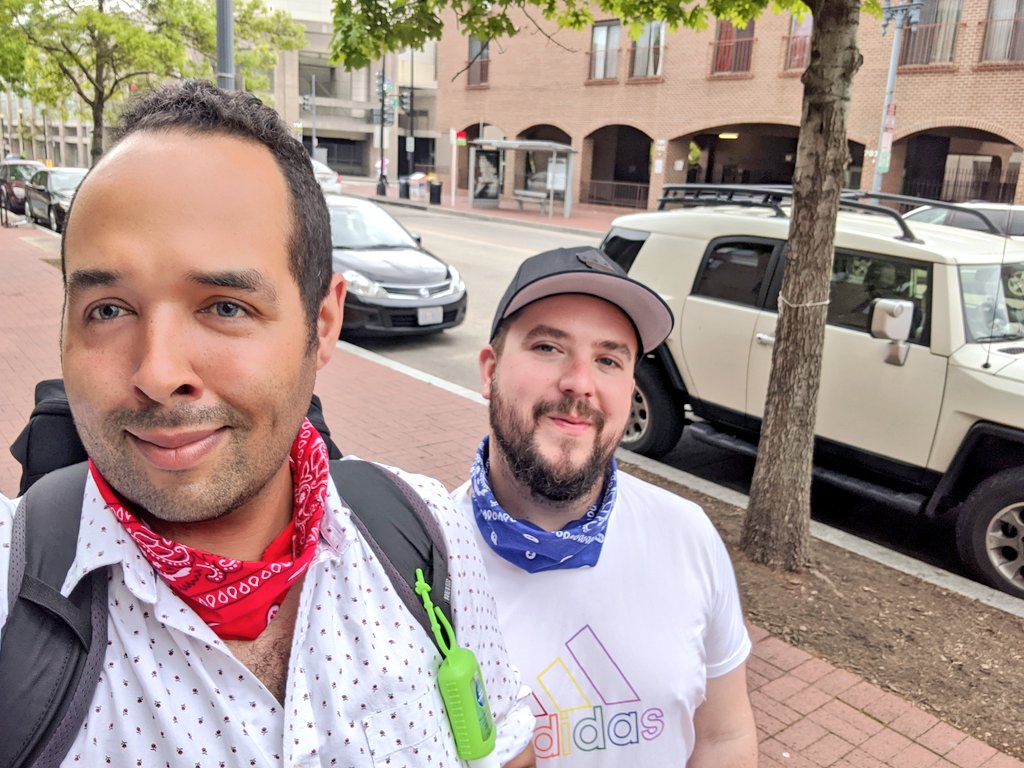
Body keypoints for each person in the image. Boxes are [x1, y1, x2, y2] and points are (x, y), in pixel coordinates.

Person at [0, 79, 534, 767]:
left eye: (224, 307)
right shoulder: (16, 581)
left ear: (324, 320)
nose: (158, 372)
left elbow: (505, 750)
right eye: (108, 309)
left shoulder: (425, 531)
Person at [451, 246, 757, 766]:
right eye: (548, 347)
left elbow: (723, 735)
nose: (580, 383)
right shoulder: (423, 559)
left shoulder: (687, 535)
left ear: (629, 391)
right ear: (490, 370)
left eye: (608, 360)